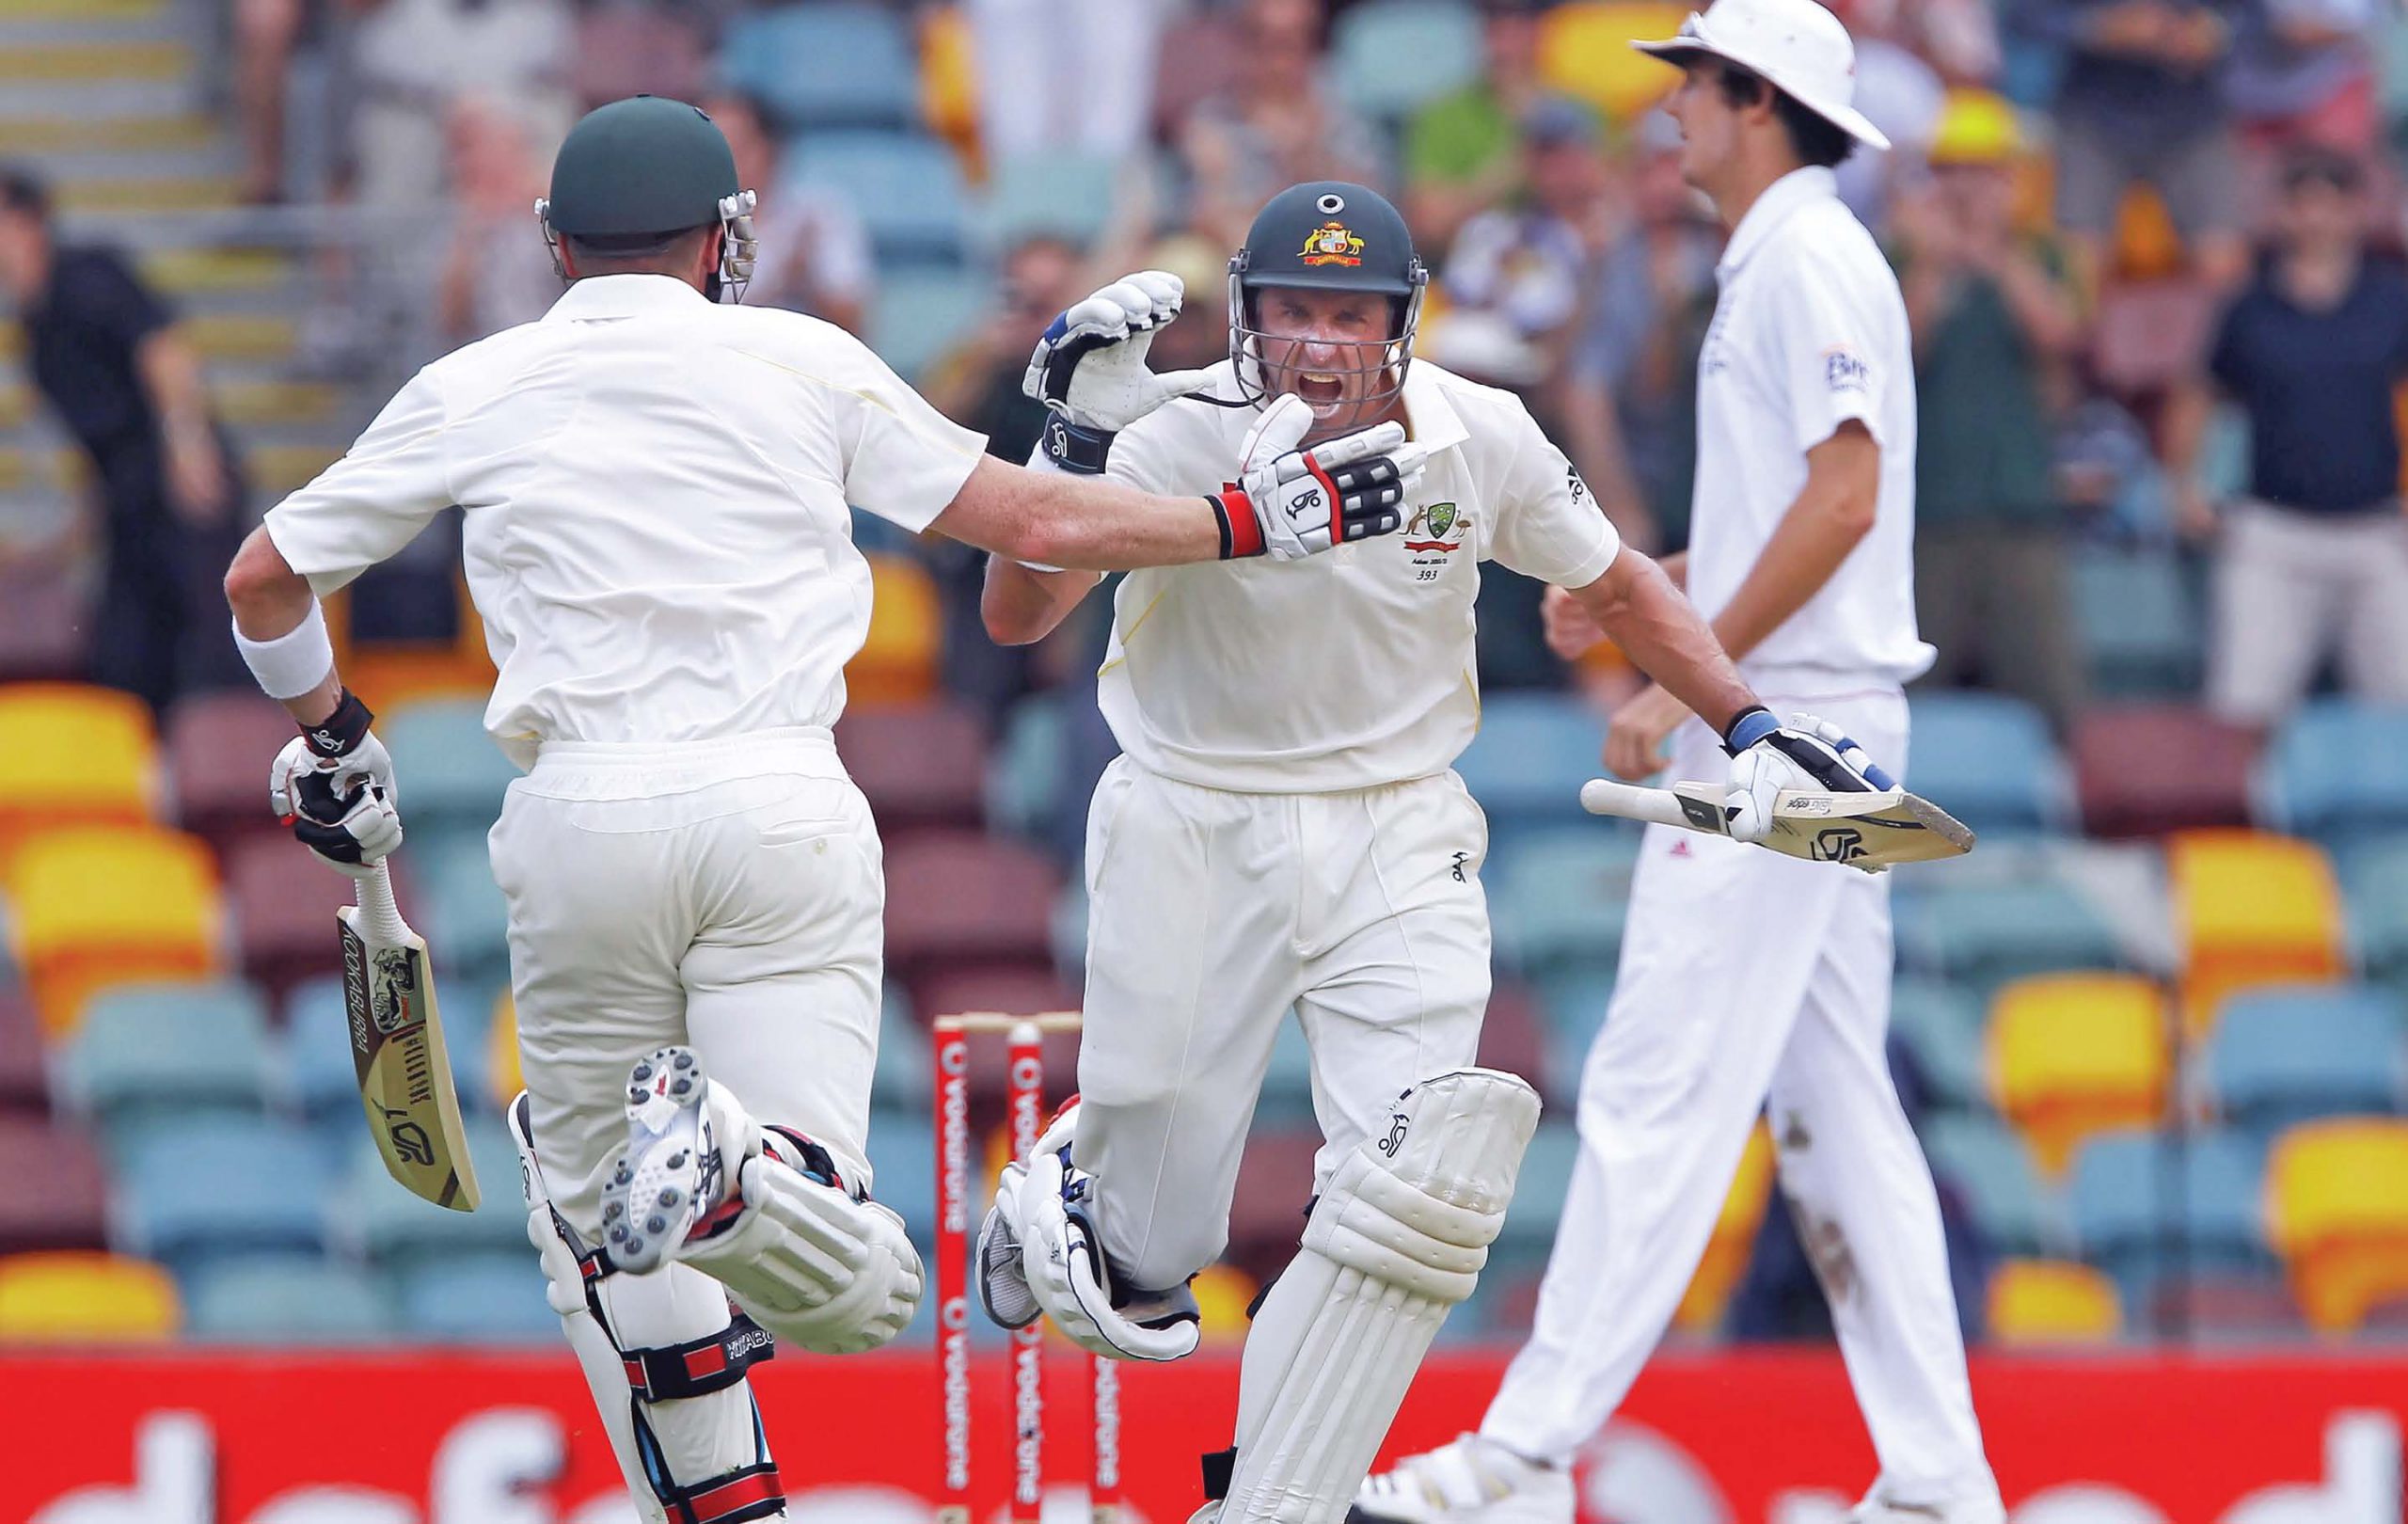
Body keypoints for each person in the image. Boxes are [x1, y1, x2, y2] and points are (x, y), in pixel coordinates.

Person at [219, 96, 1428, 1524]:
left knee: (608, 1234)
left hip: (576, 824)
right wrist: (1243, 522)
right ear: (728, 237)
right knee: (852, 1279)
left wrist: (334, 734)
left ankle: (724, 1388)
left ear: (554, 244)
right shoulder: (803, 357)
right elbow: (1034, 532)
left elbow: (261, 582)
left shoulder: (474, 383)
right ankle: (744, 1166)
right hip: (775, 805)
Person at [973, 178, 1897, 1524]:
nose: (1322, 345)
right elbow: (1015, 609)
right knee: (1154, 1255)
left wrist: (1753, 726)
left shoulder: (1482, 436)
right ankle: (1080, 1192)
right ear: (1250, 317)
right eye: (1296, 312)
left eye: (1351, 314)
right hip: (1189, 818)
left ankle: (1271, 1500)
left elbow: (1622, 586)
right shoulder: (1181, 434)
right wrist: (1062, 438)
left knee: (1413, 1191)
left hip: (1399, 830)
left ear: (1402, 324)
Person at [1356, 4, 2003, 1521]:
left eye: (1694, 87)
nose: (1671, 114)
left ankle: (1521, 1455)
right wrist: (1662, 584)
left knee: (1656, 1074)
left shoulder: (1808, 259)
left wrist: (1687, 668)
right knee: (1835, 1109)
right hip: (1815, 713)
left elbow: (1845, 504)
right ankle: (1940, 1478)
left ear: (1756, 102)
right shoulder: (1795, 255)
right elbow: (1819, 507)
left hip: (1788, 732)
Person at [2165, 145, 2408, 728]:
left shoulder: (2394, 299)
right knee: (2243, 711)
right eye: (2303, 204)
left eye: (2331, 204)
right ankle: (2244, 824)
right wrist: (2184, 486)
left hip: (2376, 530)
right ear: (2283, 213)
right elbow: (2198, 392)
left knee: (2400, 711)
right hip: (2272, 537)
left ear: (2355, 211)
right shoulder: (2249, 307)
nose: (2317, 219)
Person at [0, 166, 248, 716]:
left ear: (27, 220)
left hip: (179, 484)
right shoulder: (34, 336)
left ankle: (239, 783)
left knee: (212, 647)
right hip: (128, 507)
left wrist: (186, 443)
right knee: (124, 661)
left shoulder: (88, 274)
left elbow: (164, 350)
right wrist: (53, 551)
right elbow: (97, 463)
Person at [1893, 90, 2088, 734]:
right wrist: (1932, 261)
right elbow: (1896, 353)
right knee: (1907, 692)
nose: (1967, 188)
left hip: (2019, 507)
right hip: (1925, 514)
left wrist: (1993, 253)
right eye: (1954, 171)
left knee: (2052, 692)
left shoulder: (2043, 257)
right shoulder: (1902, 258)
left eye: (1984, 171)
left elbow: (2059, 336)